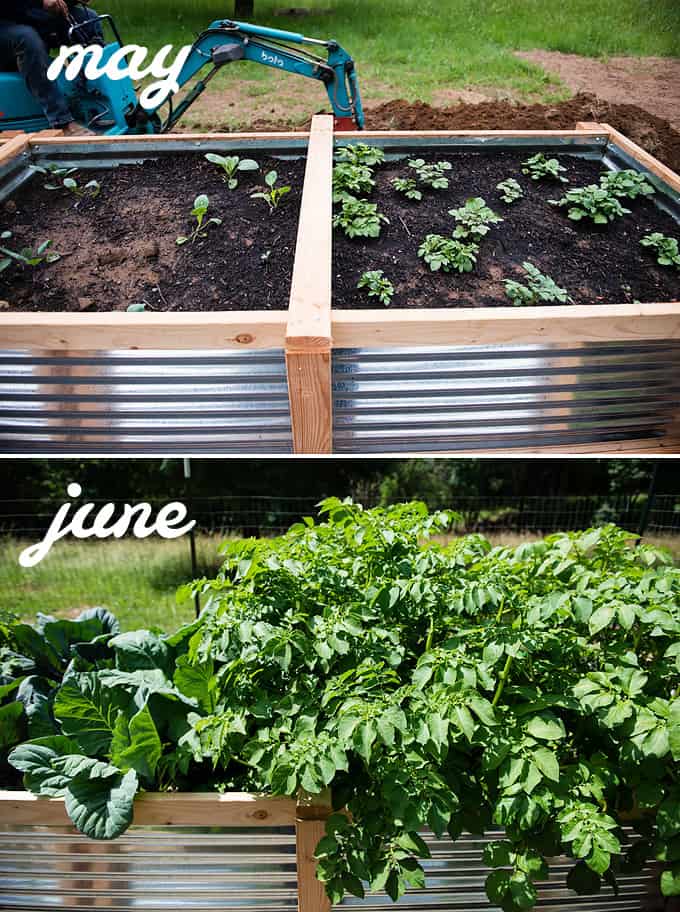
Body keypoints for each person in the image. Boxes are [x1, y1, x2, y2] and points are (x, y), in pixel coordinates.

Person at [0, 1, 104, 135]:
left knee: (88, 18)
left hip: (24, 14)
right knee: (27, 38)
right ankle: (62, 122)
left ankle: (105, 102)